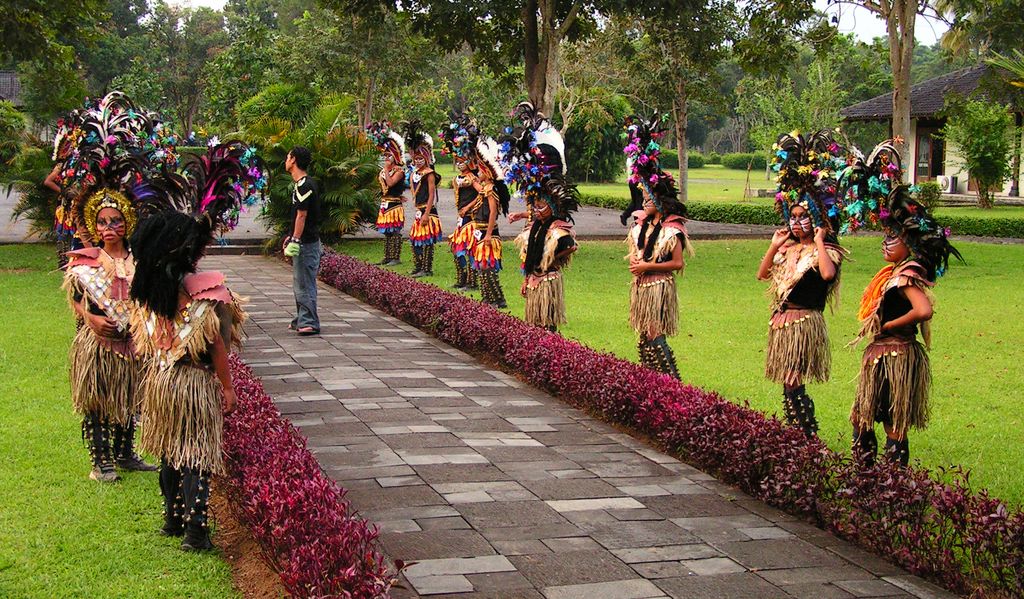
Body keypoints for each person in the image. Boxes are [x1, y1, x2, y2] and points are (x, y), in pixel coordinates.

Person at [130, 141, 263, 551]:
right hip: (193, 384)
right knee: (198, 454)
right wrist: (227, 386)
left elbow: (143, 345)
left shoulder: (148, 295)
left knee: (170, 450)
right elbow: (219, 349)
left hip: (160, 382)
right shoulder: (207, 296)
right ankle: (196, 533)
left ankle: (172, 521)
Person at [57, 92, 161, 482]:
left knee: (128, 397)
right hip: (97, 341)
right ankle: (100, 461)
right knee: (99, 399)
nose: (108, 228)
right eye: (102, 222)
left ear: (127, 222)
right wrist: (90, 320)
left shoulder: (138, 260)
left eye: (116, 221)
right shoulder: (83, 261)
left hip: (131, 339)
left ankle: (125, 453)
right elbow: (74, 298)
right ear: (93, 224)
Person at [839, 141, 961, 466]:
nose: (884, 243)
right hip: (883, 355)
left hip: (896, 355)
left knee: (894, 422)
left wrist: (890, 325)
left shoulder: (907, 274)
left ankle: (892, 484)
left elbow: (923, 310)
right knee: (862, 417)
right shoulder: (892, 272)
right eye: (884, 237)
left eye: (891, 239)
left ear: (907, 243)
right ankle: (866, 477)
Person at [756, 131, 848, 438]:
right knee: (787, 379)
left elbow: (826, 275)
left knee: (794, 378)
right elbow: (762, 275)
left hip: (805, 321)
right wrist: (773, 246)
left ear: (816, 217)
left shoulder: (828, 251)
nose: (797, 223)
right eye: (792, 216)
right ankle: (796, 431)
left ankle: (805, 433)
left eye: (803, 216)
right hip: (783, 322)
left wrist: (820, 241)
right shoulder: (787, 248)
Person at [622, 115, 692, 379]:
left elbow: (677, 264)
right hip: (642, 286)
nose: (644, 200)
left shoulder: (672, 229)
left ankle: (670, 381)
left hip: (659, 285)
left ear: (659, 198)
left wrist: (647, 266)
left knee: (654, 332)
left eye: (647, 197)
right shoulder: (644, 225)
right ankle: (650, 380)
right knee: (643, 334)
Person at [502, 103, 578, 330]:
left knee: (547, 328)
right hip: (535, 280)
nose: (535, 209)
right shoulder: (536, 227)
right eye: (534, 205)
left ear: (553, 206)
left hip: (548, 281)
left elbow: (571, 245)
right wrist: (527, 278)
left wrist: (552, 259)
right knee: (533, 327)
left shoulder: (558, 231)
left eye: (540, 205)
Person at [438, 113, 482, 290]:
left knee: (469, 249)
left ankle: (472, 282)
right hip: (461, 218)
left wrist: (469, 207)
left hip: (471, 219)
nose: (460, 163)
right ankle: (461, 278)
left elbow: (482, 195)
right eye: (458, 160)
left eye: (463, 161)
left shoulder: (473, 178)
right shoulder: (459, 177)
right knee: (457, 248)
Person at [282, 146, 321, 336]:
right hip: (303, 241)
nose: (286, 160)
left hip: (307, 242)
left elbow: (302, 215)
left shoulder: (305, 185)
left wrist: (295, 240)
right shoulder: (301, 184)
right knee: (300, 281)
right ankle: (301, 317)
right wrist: (290, 237)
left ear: (294, 160)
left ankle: (309, 321)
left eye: (288, 157)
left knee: (305, 282)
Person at [469, 136, 510, 308]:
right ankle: (487, 297)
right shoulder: (485, 187)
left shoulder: (492, 190)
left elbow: (493, 212)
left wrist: (487, 234)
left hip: (488, 233)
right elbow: (478, 188)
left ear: (488, 172)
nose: (478, 172)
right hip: (480, 231)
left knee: (488, 267)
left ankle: (498, 299)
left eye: (480, 170)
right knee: (481, 266)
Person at [402, 120, 443, 277]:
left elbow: (432, 194)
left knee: (426, 241)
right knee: (415, 240)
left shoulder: (429, 173)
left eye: (421, 159)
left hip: (428, 211)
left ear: (426, 158)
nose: (418, 161)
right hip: (419, 210)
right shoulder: (414, 173)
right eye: (416, 158)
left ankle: (427, 269)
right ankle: (418, 266)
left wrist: (426, 213)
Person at [366, 122, 407, 266]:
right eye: (385, 156)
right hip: (385, 203)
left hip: (394, 205)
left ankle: (395, 257)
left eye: (389, 156)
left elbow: (390, 184)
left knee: (394, 231)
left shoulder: (399, 171)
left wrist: (386, 169)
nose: (386, 158)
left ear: (395, 157)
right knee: (387, 232)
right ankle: (388, 256)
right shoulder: (386, 170)